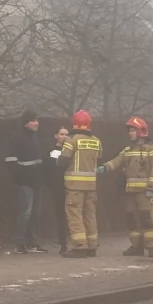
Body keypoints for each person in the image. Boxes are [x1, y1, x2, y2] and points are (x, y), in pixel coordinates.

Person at [99, 117, 153, 258]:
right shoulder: (128, 149)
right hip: (130, 192)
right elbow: (117, 161)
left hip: (145, 192)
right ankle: (136, 246)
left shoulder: (152, 149)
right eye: (130, 131)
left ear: (141, 131)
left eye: (133, 130)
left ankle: (152, 246)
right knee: (132, 220)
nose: (130, 133)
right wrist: (105, 167)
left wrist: (151, 188)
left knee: (147, 219)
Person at [58, 110, 102, 258]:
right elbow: (99, 156)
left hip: (75, 186)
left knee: (74, 214)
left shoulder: (72, 140)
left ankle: (79, 246)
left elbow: (63, 160)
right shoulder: (96, 141)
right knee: (90, 214)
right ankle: (92, 246)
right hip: (91, 186)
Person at [5, 110, 46, 254]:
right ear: (25, 123)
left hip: (36, 182)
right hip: (26, 183)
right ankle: (20, 243)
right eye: (33, 120)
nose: (36, 123)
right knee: (25, 213)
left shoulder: (35, 138)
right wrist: (22, 178)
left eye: (37, 120)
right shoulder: (17, 138)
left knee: (35, 213)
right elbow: (11, 161)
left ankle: (32, 243)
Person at [43, 126, 71, 254]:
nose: (64, 136)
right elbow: (49, 169)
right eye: (62, 134)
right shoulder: (51, 151)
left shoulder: (71, 150)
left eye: (66, 134)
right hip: (57, 187)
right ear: (56, 136)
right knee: (60, 214)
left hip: (70, 185)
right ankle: (63, 243)